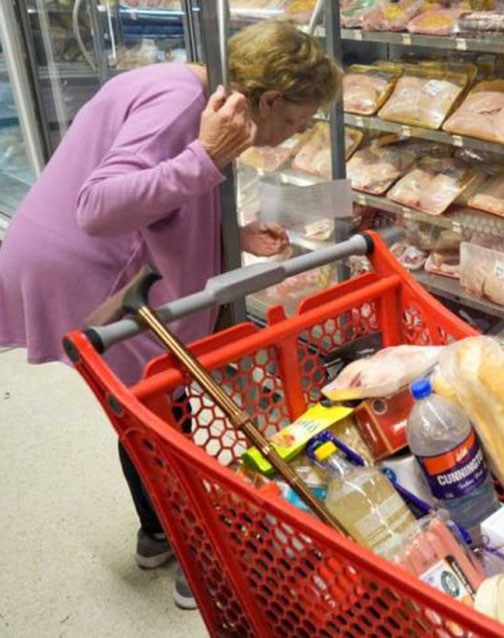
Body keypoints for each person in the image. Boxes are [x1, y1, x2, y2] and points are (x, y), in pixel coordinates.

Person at [0, 19, 342, 610]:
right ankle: (196, 557)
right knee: (160, 417)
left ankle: (158, 536)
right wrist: (207, 156)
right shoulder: (183, 102)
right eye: (296, 120)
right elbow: (99, 206)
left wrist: (233, 232)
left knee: (148, 410)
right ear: (268, 99)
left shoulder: (191, 90)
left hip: (97, 265)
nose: (295, 134)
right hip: (91, 274)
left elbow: (164, 198)